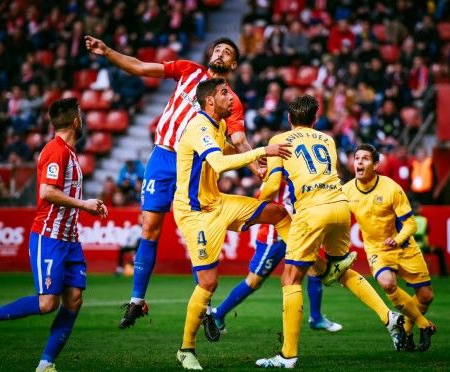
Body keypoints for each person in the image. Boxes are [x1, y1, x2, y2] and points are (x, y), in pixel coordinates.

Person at [85, 35, 263, 328]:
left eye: (227, 52)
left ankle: (204, 307)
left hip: (195, 168)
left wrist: (256, 163)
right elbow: (141, 68)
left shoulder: (231, 100)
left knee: (196, 234)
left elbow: (239, 139)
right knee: (150, 227)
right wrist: (106, 51)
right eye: (217, 48)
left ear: (234, 64)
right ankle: (136, 301)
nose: (220, 53)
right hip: (163, 157)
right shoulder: (188, 70)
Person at [256, 96, 406, 369]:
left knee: (290, 278)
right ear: (316, 118)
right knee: (338, 270)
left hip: (312, 210)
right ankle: (389, 317)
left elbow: (272, 187)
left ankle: (287, 356)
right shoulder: (327, 140)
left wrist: (260, 189)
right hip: (339, 208)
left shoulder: (279, 141)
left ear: (290, 119)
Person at [0, 98, 108, 372]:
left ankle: (45, 364)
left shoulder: (69, 152)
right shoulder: (56, 151)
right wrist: (83, 204)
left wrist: (87, 205)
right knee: (47, 303)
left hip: (69, 239)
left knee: (74, 298)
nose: (84, 119)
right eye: (81, 115)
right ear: (75, 121)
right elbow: (46, 193)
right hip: (48, 237)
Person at [173, 78, 296, 370]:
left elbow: (227, 152)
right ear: (209, 101)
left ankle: (312, 262)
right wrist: (263, 152)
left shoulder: (219, 126)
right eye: (225, 93)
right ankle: (186, 349)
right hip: (195, 212)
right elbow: (218, 163)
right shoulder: (198, 126)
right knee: (209, 282)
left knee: (278, 213)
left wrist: (255, 167)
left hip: (217, 201)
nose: (232, 99)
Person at [213, 181, 342, 334]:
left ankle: (316, 318)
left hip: (297, 232)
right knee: (254, 281)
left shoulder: (300, 171)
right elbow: (260, 198)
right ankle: (218, 314)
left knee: (313, 269)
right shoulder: (277, 175)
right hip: (273, 237)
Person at [342, 144, 437, 352]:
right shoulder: (346, 191)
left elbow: (410, 223)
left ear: (375, 165)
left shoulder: (391, 187)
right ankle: (424, 324)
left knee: (426, 296)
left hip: (404, 246)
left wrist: (398, 238)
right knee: (387, 284)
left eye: (365, 159)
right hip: (377, 250)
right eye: (356, 158)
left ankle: (409, 330)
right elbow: (336, 221)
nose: (359, 162)